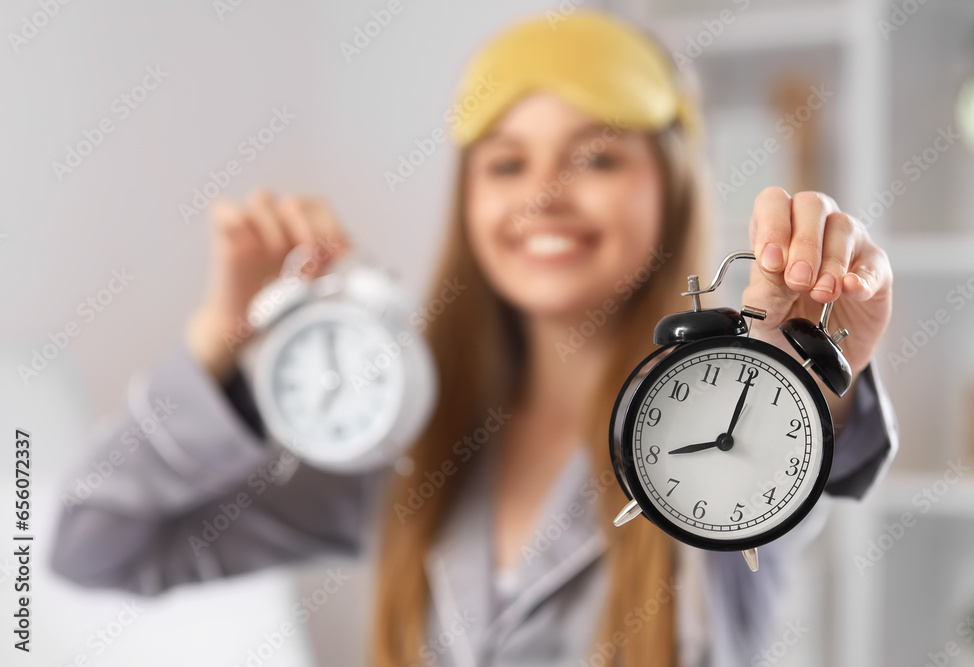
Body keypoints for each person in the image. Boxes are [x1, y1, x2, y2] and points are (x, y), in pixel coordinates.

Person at [50, 10, 898, 667]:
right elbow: (91, 544)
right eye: (504, 163)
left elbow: (799, 457)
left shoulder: (728, 432)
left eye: (597, 158)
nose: (544, 195)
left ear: (671, 187)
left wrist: (812, 371)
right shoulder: (397, 449)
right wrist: (218, 347)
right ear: (468, 201)